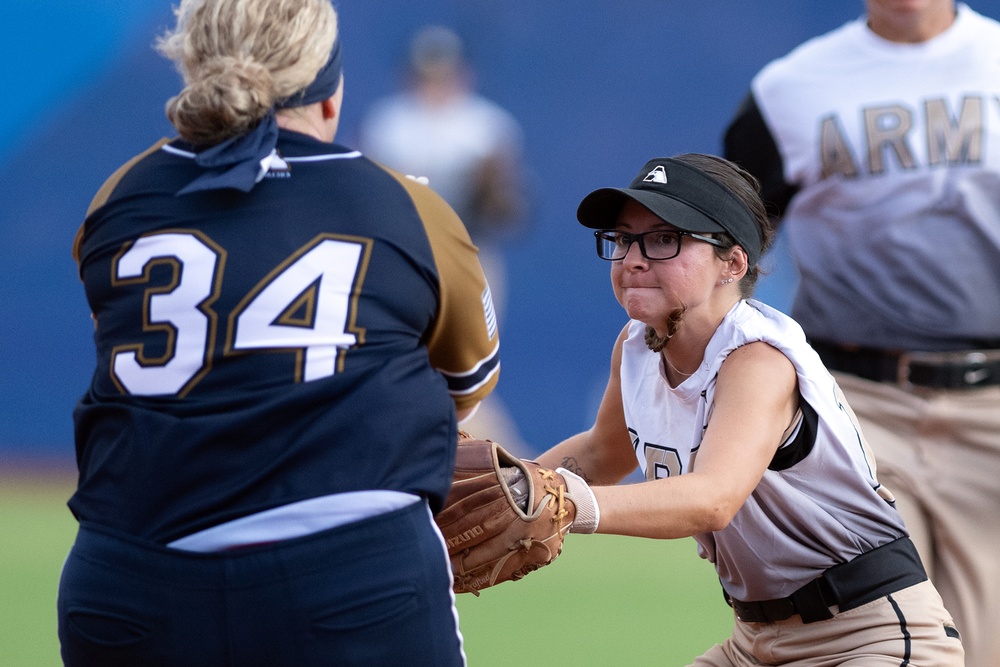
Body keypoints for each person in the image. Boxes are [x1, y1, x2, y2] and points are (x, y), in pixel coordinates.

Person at [58, 1, 499, 665]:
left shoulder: (118, 197)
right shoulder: (407, 207)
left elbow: (125, 353)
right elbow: (461, 385)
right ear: (329, 94)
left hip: (129, 577)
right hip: (350, 579)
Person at [535, 154, 964, 666]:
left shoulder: (757, 359)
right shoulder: (636, 345)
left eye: (665, 238)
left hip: (870, 635)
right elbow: (602, 452)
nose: (633, 258)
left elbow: (712, 498)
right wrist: (514, 485)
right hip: (755, 641)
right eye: (624, 238)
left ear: (733, 264)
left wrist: (565, 503)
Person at [722, 2, 1000, 664]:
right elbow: (726, 246)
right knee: (879, 632)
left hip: (991, 404)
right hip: (853, 400)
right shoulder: (791, 90)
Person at [358, 24, 529, 454]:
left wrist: (491, 189)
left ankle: (509, 467)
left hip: (468, 258)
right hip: (400, 260)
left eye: (443, 71)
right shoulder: (388, 123)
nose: (435, 80)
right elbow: (363, 199)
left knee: (467, 371)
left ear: (461, 72)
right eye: (426, 71)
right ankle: (508, 467)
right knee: (409, 365)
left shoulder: (486, 128)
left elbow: (512, 214)